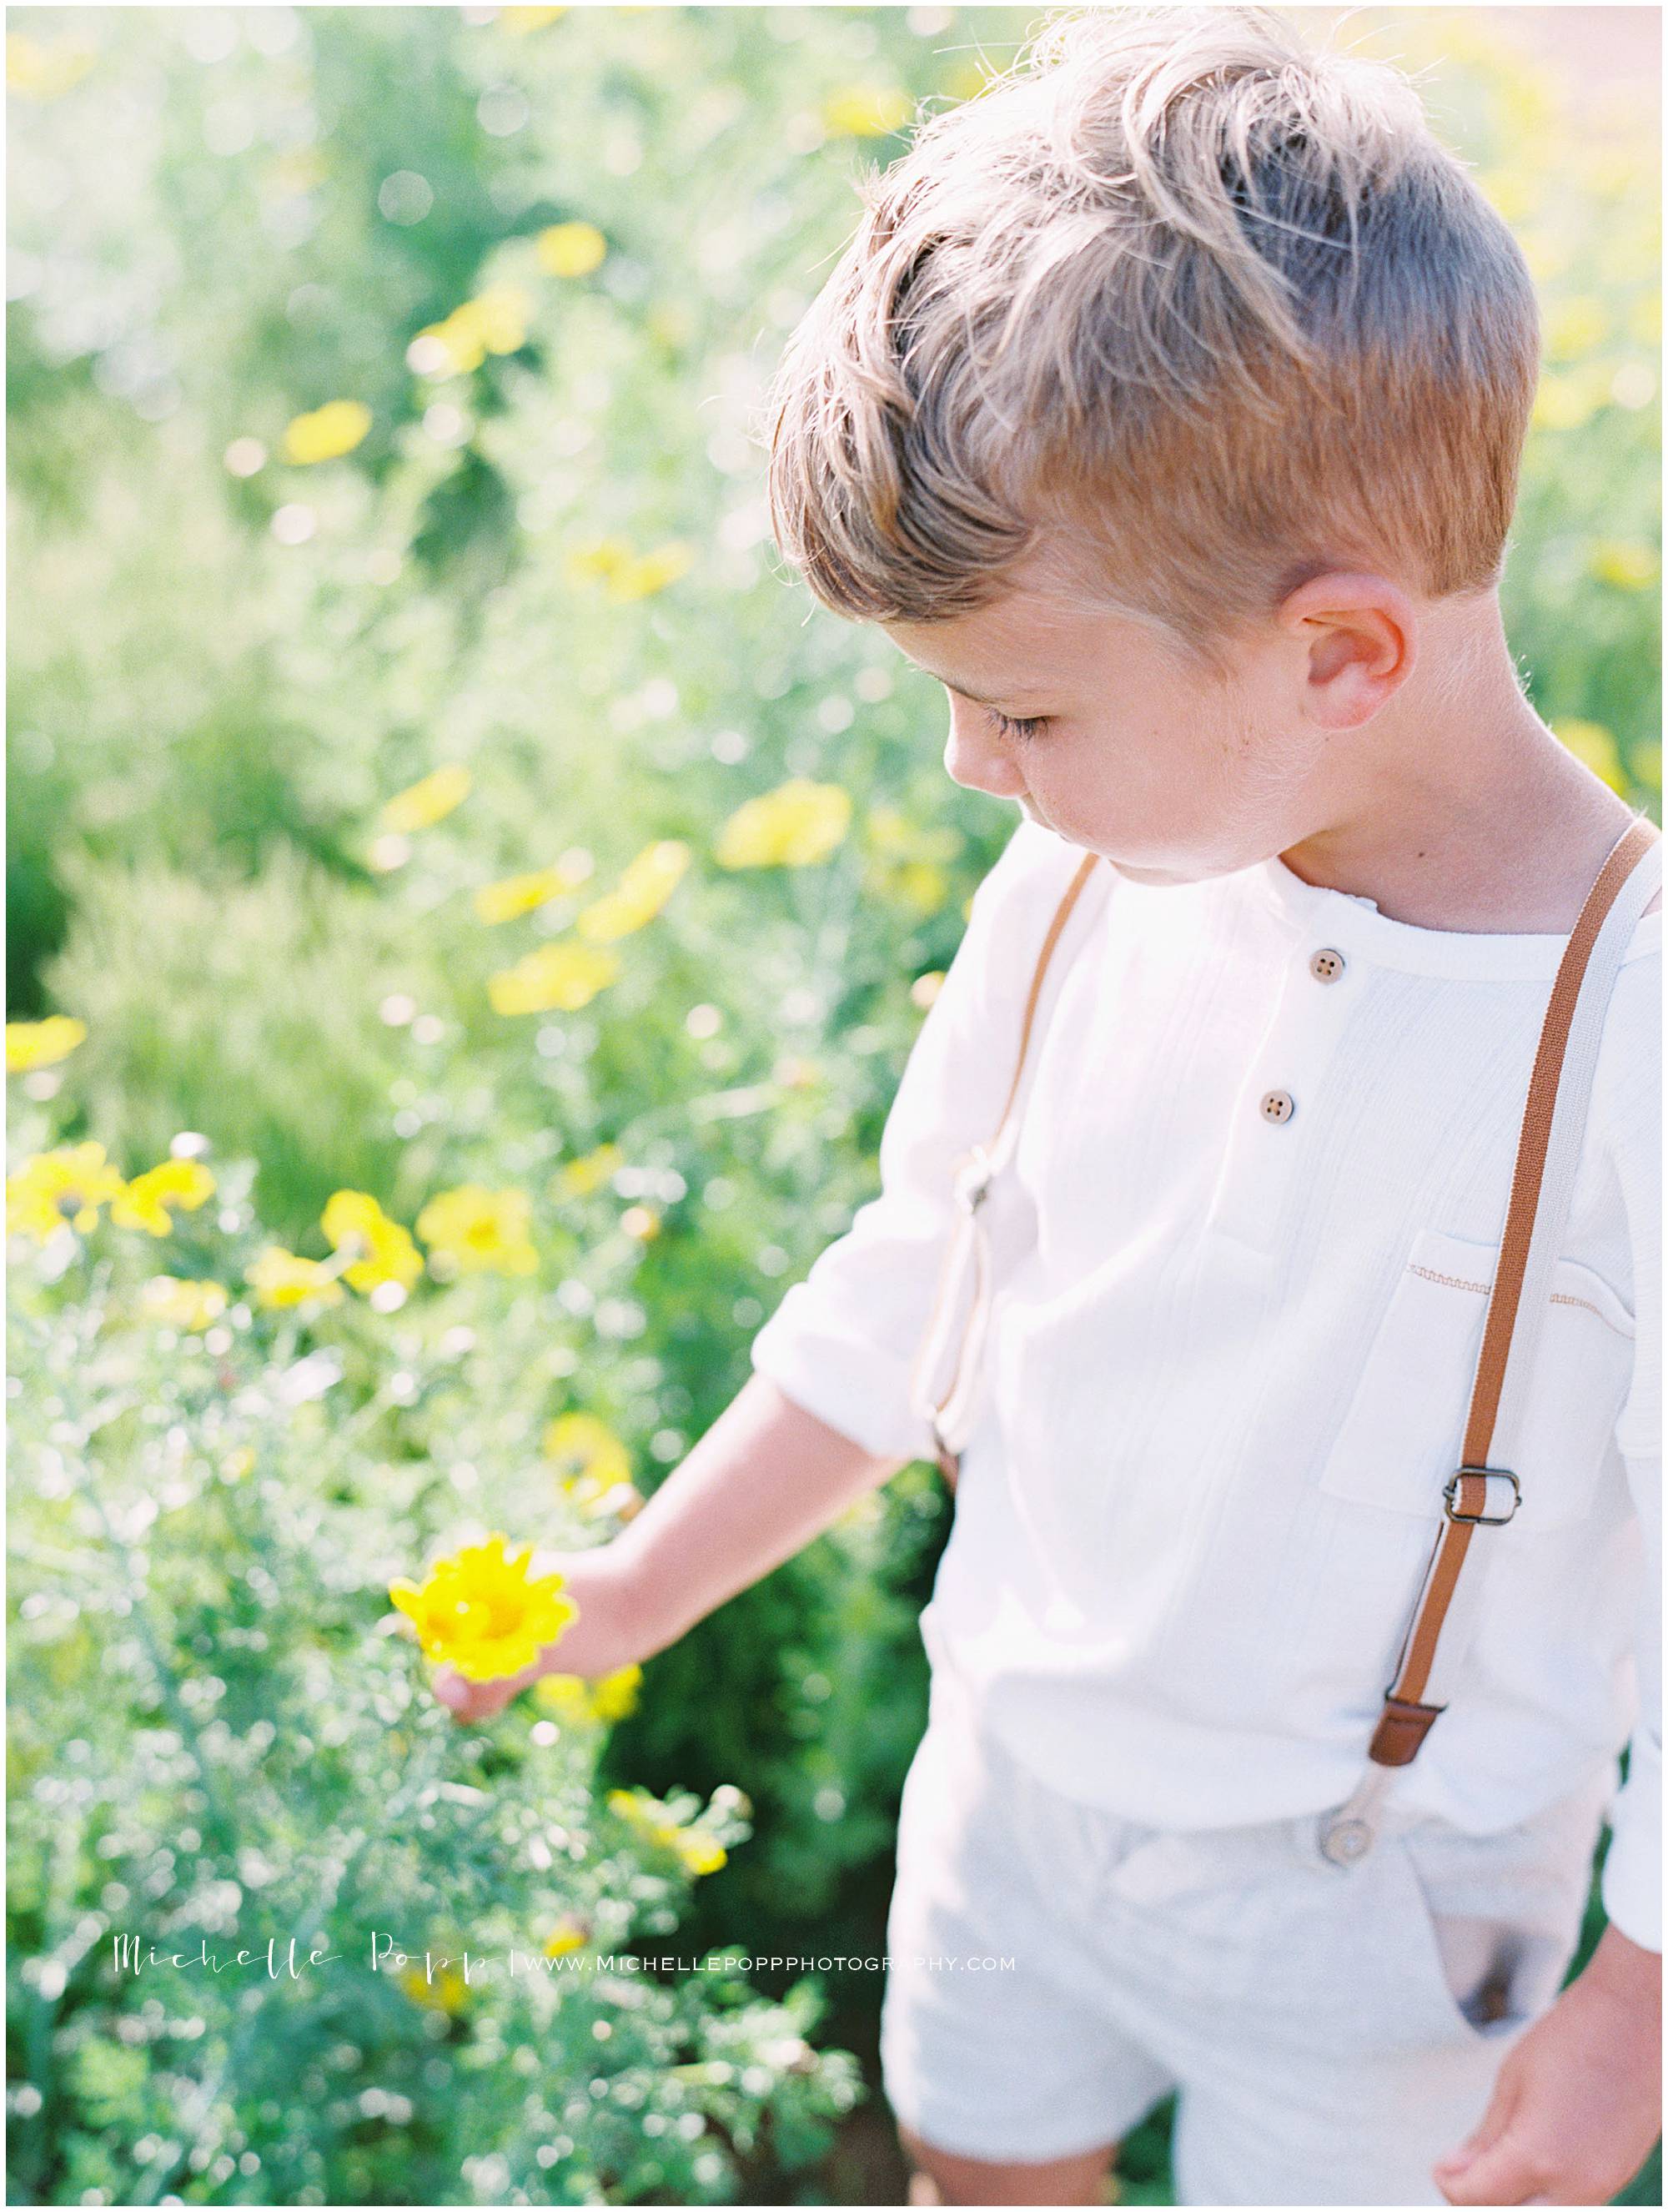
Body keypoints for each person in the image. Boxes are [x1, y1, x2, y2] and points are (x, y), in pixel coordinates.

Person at [433, 8, 1662, 2203]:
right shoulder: (1096, 879)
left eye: (1017, 707)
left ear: (1344, 655)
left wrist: (1640, 1996)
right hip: (1010, 1777)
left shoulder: (1628, 1023)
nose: (969, 770)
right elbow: (926, 1278)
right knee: (978, 2167)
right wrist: (630, 1587)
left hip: (1384, 1907)